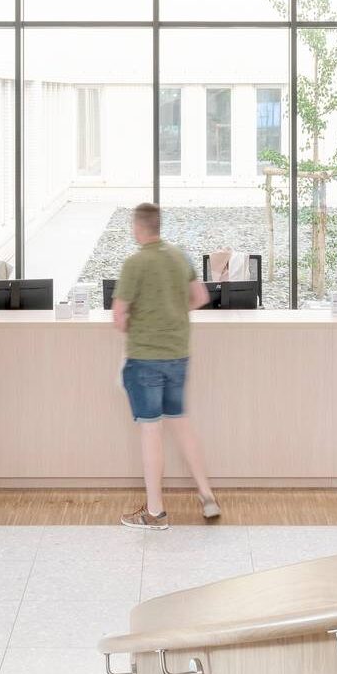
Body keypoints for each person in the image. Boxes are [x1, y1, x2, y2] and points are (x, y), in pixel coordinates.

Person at [113, 202, 221, 530]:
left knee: (151, 430)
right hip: (178, 355)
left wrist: (142, 322)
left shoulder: (135, 263)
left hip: (145, 357)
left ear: (138, 227)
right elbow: (201, 297)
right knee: (181, 423)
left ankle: (156, 512)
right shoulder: (180, 256)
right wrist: (174, 313)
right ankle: (207, 496)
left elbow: (118, 318)